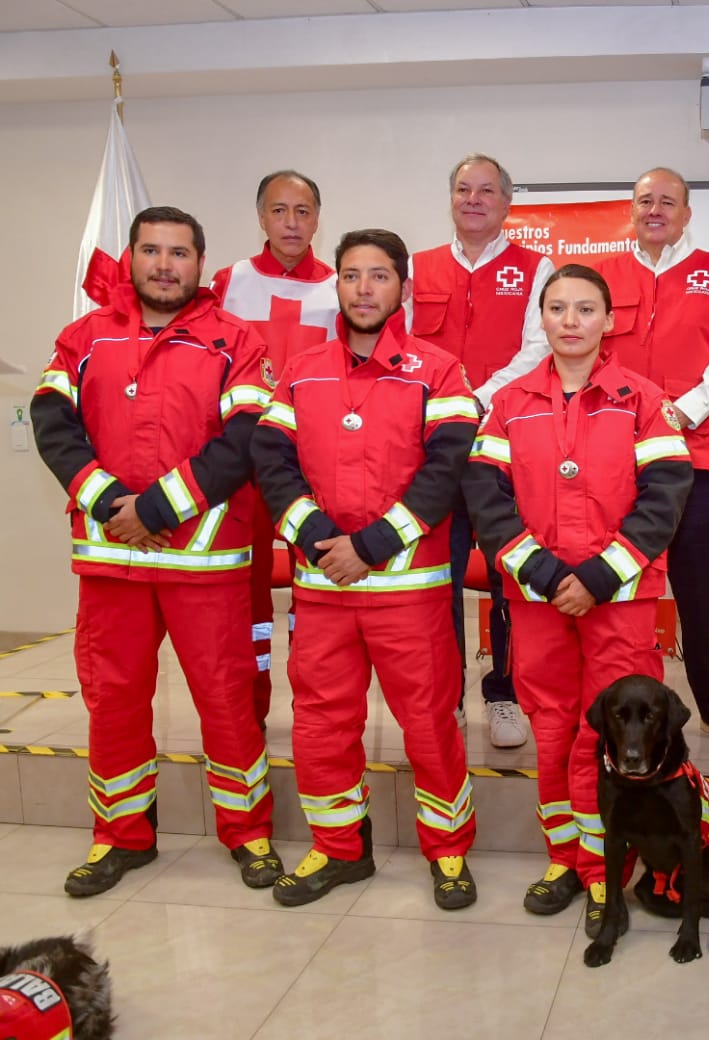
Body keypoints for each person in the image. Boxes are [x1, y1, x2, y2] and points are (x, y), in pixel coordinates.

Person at [32, 206, 280, 896]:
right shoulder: (83, 337)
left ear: (201, 264)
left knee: (228, 702)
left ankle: (248, 835)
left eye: (179, 253)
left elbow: (247, 437)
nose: (164, 265)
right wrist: (112, 500)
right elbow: (53, 422)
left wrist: (157, 508)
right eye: (151, 251)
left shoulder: (238, 341)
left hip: (206, 568)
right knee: (113, 703)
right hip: (113, 564)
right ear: (133, 258)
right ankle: (121, 837)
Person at [252, 229, 480, 908]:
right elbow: (272, 463)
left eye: (378, 276)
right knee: (322, 726)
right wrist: (323, 541)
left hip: (409, 594)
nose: (363, 288)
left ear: (403, 289)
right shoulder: (299, 370)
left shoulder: (440, 371)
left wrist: (371, 547)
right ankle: (339, 850)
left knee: (430, 727)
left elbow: (447, 472)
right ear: (338, 286)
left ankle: (448, 853)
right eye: (351, 276)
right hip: (324, 591)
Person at [463, 264, 693, 936]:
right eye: (558, 308)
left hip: (616, 599)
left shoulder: (644, 399)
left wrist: (597, 576)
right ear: (542, 318)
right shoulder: (508, 404)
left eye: (585, 309)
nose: (571, 320)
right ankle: (568, 860)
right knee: (554, 728)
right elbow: (487, 497)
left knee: (618, 733)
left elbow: (665, 497)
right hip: (537, 599)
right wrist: (538, 569)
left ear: (607, 321)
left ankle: (610, 867)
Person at [596, 167, 709, 750]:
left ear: (687, 214)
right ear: (630, 211)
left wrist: (682, 411)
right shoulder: (601, 278)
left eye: (668, 201)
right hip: (614, 461)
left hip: (700, 459)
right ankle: (621, 715)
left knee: (697, 589)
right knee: (620, 588)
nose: (655, 209)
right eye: (645, 201)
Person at [408, 153, 554, 749]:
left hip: (501, 448)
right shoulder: (416, 268)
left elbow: (537, 347)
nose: (474, 199)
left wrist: (470, 398)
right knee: (434, 578)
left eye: (487, 191)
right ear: (450, 198)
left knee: (505, 577)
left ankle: (504, 695)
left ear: (507, 203)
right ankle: (441, 699)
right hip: (430, 453)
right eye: (463, 189)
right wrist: (443, 404)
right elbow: (404, 348)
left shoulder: (535, 266)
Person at [210, 170, 339, 728]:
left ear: (318, 218)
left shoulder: (340, 286)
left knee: (316, 590)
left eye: (303, 211)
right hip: (240, 464)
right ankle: (250, 704)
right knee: (244, 587)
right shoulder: (227, 281)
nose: (292, 223)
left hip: (310, 464)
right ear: (260, 217)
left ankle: (317, 706)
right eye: (280, 211)